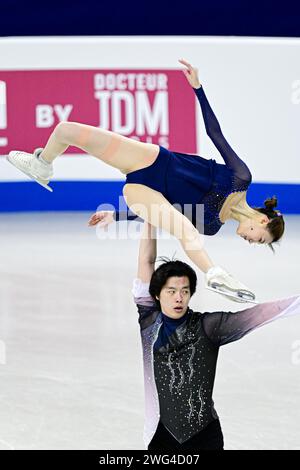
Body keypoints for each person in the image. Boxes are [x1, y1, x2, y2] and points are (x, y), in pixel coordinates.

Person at [6, 59, 284, 301]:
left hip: (142, 190)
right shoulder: (240, 178)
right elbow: (215, 134)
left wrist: (116, 216)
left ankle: (215, 274)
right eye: (259, 239)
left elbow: (158, 213)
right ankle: (42, 165)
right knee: (66, 130)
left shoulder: (212, 225)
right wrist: (198, 89)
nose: (252, 242)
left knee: (184, 229)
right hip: (152, 160)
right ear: (263, 220)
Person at [134, 221, 299, 451]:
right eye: (171, 291)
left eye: (185, 291)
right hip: (159, 435)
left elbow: (258, 314)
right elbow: (146, 261)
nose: (179, 298)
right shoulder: (149, 321)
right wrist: (150, 217)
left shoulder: (209, 326)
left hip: (206, 435)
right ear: (157, 295)